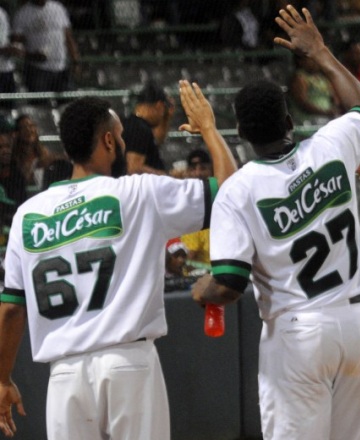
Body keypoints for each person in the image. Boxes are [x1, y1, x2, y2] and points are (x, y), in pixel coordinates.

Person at [0, 80, 237, 439]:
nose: (125, 143)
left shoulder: (27, 216)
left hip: (65, 376)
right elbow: (230, 191)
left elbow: (11, 308)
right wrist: (208, 127)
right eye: (121, 135)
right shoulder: (138, 192)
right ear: (109, 141)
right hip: (128, 364)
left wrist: (2, 379)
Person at [190, 6, 360, 440]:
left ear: (242, 133)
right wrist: (321, 53)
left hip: (299, 332)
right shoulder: (331, 144)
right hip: (359, 327)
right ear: (291, 121)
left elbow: (229, 284)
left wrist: (203, 289)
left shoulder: (238, 190)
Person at [12, 0, 80, 94]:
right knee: (40, 105)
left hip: (61, 67)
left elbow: (68, 37)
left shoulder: (58, 8)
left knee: (67, 102)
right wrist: (32, 56)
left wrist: (75, 60)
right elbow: (16, 45)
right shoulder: (22, 14)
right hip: (37, 69)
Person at [123, 82, 175, 175]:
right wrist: (165, 176)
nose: (161, 116)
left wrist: (167, 118)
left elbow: (157, 140)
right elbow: (133, 168)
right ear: (159, 106)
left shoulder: (134, 124)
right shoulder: (139, 128)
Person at [288, 52, 340, 124]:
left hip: (327, 118)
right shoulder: (300, 77)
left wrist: (334, 108)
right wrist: (324, 112)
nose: (315, 61)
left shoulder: (322, 78)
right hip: (309, 121)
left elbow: (333, 97)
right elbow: (302, 104)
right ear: (300, 61)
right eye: (311, 59)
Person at [0, 4, 22, 110]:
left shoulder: (2, 13)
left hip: (6, 69)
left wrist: (13, 48)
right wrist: (6, 50)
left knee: (9, 108)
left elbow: (4, 40)